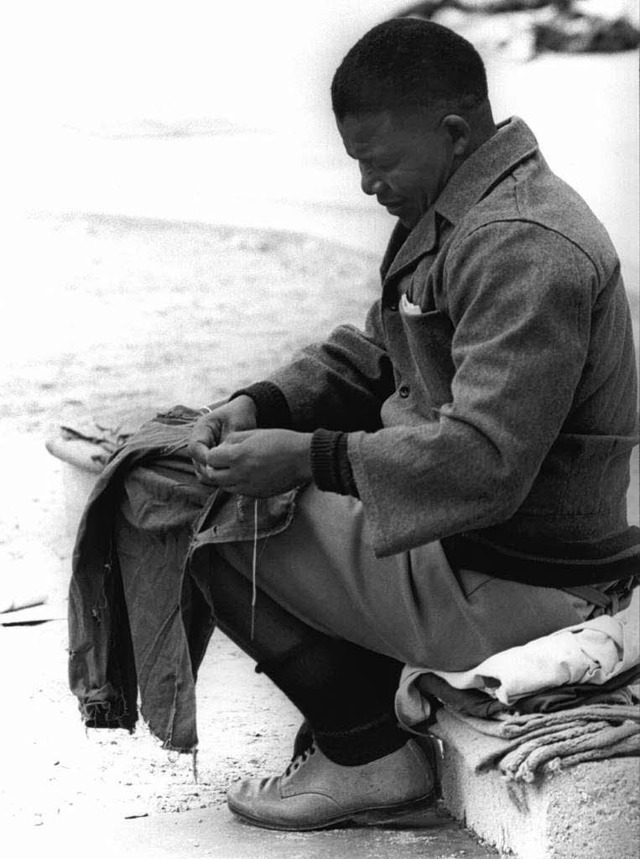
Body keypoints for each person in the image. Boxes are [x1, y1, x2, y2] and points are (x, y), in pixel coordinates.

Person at [69, 17, 639, 832]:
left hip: (524, 580)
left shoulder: (521, 244)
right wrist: (261, 404)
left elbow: (485, 460)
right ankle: (366, 716)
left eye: (378, 160)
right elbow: (379, 351)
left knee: (184, 500)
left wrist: (307, 458)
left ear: (452, 130)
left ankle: (365, 750)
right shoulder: (461, 204)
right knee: (190, 460)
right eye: (356, 163)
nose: (367, 182)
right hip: (471, 547)